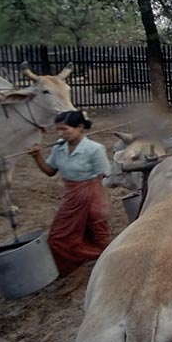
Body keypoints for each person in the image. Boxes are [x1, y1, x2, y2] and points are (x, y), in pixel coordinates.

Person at [28, 110, 112, 278]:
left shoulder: (94, 149)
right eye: (58, 130)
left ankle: (109, 262)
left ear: (79, 127)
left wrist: (100, 204)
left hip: (91, 192)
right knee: (58, 238)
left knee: (98, 233)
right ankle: (80, 265)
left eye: (65, 129)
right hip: (72, 195)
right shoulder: (59, 147)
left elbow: (106, 177)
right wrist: (37, 157)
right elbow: (50, 171)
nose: (60, 134)